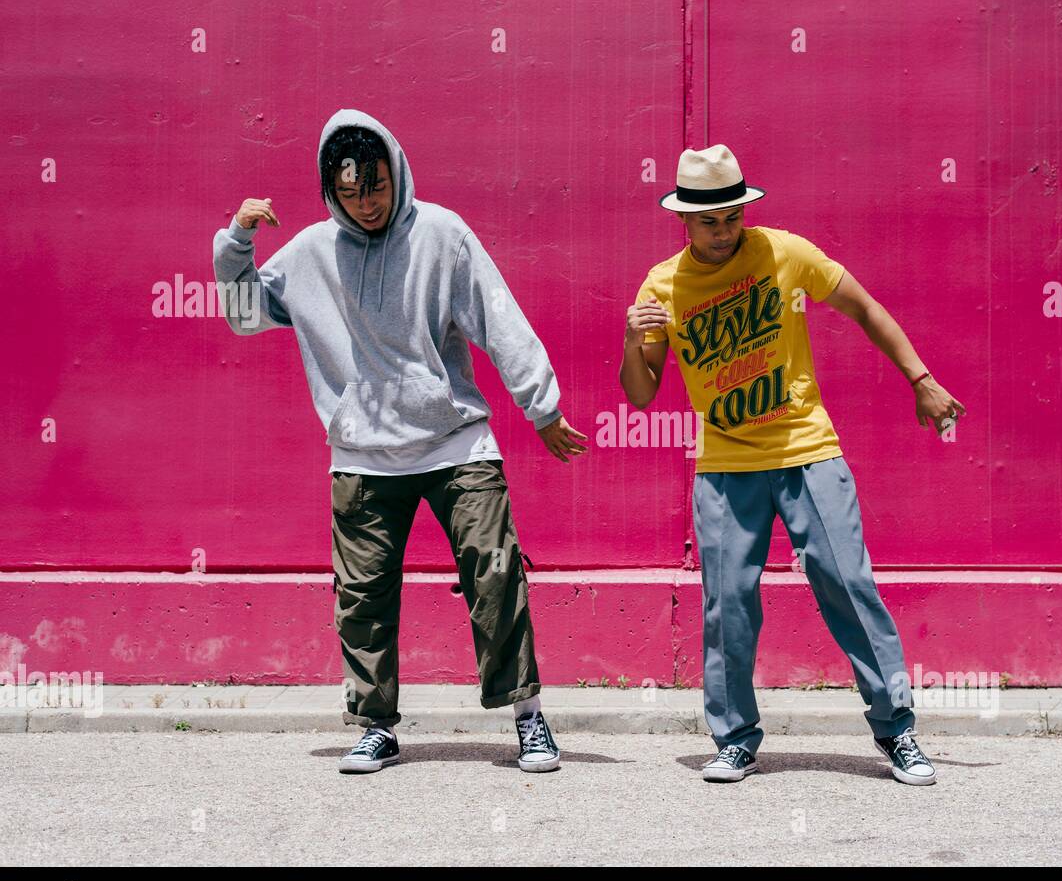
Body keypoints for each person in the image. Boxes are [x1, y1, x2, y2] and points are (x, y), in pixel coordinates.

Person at [213, 109, 587, 774]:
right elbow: (244, 314)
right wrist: (235, 241)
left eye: (377, 186)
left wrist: (543, 406)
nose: (367, 203)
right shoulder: (309, 254)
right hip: (362, 456)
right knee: (362, 596)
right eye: (351, 191)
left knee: (495, 574)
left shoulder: (443, 235)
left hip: (456, 446)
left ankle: (528, 717)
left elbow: (499, 319)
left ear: (396, 174)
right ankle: (375, 725)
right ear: (332, 189)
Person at [620, 145, 965, 785]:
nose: (724, 230)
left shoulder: (784, 252)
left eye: (732, 216)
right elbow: (640, 393)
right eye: (709, 220)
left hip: (807, 448)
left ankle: (897, 731)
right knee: (728, 603)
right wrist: (632, 339)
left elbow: (863, 306)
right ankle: (734, 738)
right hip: (724, 464)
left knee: (847, 582)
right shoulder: (661, 286)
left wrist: (920, 378)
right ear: (684, 222)